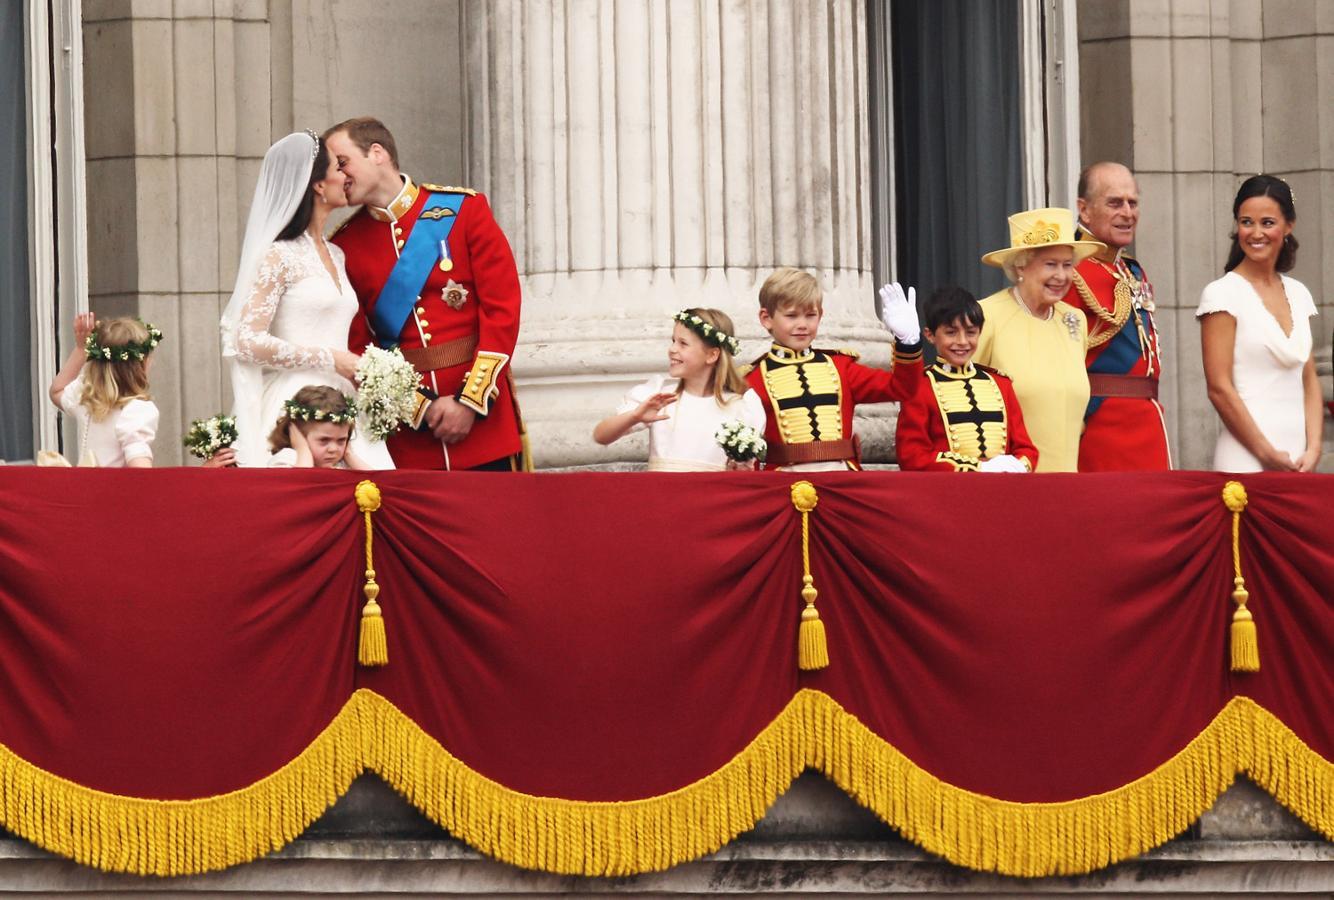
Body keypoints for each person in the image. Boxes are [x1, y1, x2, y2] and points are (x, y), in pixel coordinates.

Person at [326, 117, 526, 471]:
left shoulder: (464, 210)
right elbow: (358, 345)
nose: (339, 176)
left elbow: (502, 311)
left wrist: (470, 401)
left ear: (377, 153)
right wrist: (422, 407)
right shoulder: (345, 244)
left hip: (484, 423)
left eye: (342, 163)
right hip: (412, 435)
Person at [220, 130, 393, 469]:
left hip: (345, 401)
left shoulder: (338, 253)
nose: (346, 176)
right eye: (338, 168)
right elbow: (247, 340)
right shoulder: (277, 256)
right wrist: (332, 359)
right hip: (294, 402)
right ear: (318, 184)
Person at [1197, 175, 1323, 473]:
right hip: (1245, 459)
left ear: (1288, 226)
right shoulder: (1221, 294)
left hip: (1298, 461)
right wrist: (1266, 454)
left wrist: (1314, 447)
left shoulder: (1299, 293)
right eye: (1246, 222)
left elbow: (1308, 380)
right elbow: (1219, 388)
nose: (1256, 233)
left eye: (1267, 222)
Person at [744, 267, 924, 471]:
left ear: (820, 315)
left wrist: (908, 342)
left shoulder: (841, 368)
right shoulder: (753, 379)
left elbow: (902, 388)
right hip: (784, 483)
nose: (802, 324)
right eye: (791, 316)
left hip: (842, 479)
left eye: (810, 315)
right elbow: (748, 450)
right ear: (766, 318)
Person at [974, 207, 1104, 472]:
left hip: (1067, 479)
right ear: (1021, 265)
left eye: (1068, 265)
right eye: (1050, 264)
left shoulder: (1074, 320)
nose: (1061, 276)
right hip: (1010, 481)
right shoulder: (987, 316)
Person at [1067, 162, 1171, 470]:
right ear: (1084, 210)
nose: (1127, 213)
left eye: (1133, 203)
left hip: (1148, 423)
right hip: (1102, 432)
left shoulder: (1130, 270)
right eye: (1115, 203)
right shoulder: (1068, 272)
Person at [593, 309, 766, 471]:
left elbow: (742, 468)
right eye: (673, 341)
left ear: (712, 355)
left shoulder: (740, 407)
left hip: (711, 498)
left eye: (683, 343)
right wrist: (634, 416)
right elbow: (601, 436)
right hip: (663, 496)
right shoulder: (660, 398)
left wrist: (738, 466)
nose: (672, 349)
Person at [896, 287, 1038, 473]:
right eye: (951, 332)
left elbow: (1025, 448)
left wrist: (1019, 466)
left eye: (970, 332)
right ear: (930, 335)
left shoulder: (1000, 384)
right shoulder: (919, 387)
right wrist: (979, 468)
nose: (962, 341)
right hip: (948, 494)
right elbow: (912, 455)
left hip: (1003, 492)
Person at [47, 313, 162, 468]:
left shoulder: (87, 398)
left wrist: (81, 350)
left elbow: (57, 391)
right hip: (112, 492)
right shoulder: (136, 411)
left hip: (85, 488)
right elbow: (140, 469)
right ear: (141, 365)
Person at [266, 385, 371, 469]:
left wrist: (349, 455)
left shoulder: (343, 464)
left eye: (341, 440)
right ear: (298, 436)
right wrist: (303, 451)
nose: (333, 449)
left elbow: (378, 484)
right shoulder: (287, 459)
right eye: (324, 440)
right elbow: (297, 488)